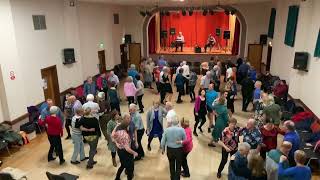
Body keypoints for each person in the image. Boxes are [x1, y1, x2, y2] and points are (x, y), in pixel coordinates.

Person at [112, 115, 138, 180]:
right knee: (130, 167)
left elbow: (112, 136)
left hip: (120, 151)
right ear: (127, 127)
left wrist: (116, 143)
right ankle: (129, 177)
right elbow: (127, 149)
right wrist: (134, 153)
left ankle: (117, 177)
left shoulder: (118, 131)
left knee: (123, 165)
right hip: (126, 152)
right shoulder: (125, 136)